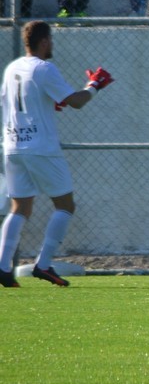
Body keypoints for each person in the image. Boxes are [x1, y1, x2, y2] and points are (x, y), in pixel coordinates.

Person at [0, 21, 114, 288]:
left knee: (20, 207)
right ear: (43, 42)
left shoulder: (13, 68)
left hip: (13, 145)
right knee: (65, 205)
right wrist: (94, 85)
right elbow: (77, 102)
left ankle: (3, 267)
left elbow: (17, 101)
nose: (52, 44)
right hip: (41, 148)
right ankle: (43, 264)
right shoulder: (44, 67)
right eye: (50, 39)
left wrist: (46, 103)